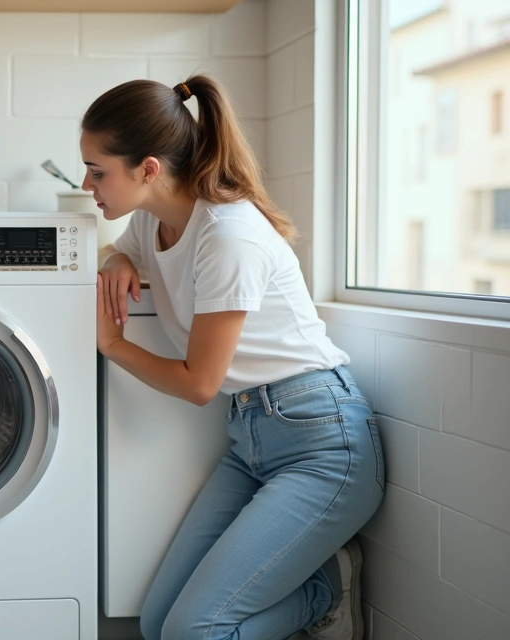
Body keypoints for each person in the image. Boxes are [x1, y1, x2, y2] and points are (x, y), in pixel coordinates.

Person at [85, 75, 385, 640]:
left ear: (148, 169)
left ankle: (324, 590)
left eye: (98, 171)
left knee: (189, 633)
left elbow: (200, 383)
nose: (87, 183)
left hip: (321, 443)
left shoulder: (227, 234)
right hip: (253, 437)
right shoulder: (153, 219)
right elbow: (119, 248)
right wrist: (116, 263)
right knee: (155, 625)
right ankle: (316, 587)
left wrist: (114, 346)